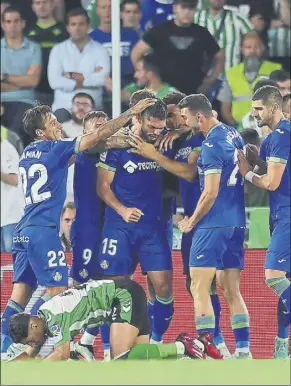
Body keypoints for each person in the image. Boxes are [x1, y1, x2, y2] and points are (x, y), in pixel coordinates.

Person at [0, 98, 155, 357]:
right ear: (41, 132)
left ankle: (5, 352)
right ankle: (62, 351)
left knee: (18, 299)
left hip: (23, 230)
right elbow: (97, 136)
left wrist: (122, 141)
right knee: (60, 298)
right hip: (43, 233)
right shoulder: (55, 148)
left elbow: (87, 148)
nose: (58, 124)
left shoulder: (29, 152)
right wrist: (131, 113)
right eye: (52, 122)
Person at [176, 94, 251, 359]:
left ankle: (206, 349)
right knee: (232, 290)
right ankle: (243, 351)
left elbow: (209, 193)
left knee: (199, 287)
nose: (183, 122)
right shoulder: (233, 134)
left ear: (199, 116)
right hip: (237, 223)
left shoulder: (210, 146)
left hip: (212, 225)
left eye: (185, 117)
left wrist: (191, 221)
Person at [96, 99, 174, 345]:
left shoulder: (163, 144)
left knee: (163, 288)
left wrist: (174, 132)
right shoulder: (117, 146)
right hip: (119, 227)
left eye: (161, 128)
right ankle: (110, 349)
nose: (156, 132)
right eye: (152, 126)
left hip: (152, 228)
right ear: (137, 119)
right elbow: (102, 186)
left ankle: (155, 343)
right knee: (114, 289)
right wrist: (122, 209)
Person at [7, 278, 221, 361]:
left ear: (34, 325)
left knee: (121, 360)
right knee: (140, 362)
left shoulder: (52, 318)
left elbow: (61, 354)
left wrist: (37, 372)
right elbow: (31, 352)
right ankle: (194, 347)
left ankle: (184, 346)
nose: (34, 344)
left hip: (122, 297)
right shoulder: (43, 317)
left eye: (30, 339)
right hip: (127, 294)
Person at [237, 85, 290, 359]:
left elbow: (271, 182)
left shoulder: (282, 136)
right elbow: (271, 169)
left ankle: (282, 346)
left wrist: (247, 172)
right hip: (279, 214)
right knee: (287, 282)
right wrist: (256, 160)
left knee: (273, 276)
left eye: (259, 108)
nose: (254, 113)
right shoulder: (270, 140)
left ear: (273, 107)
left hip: (288, 215)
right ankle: (282, 346)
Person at [131, 0, 225, 96]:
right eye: (183, 8)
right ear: (175, 8)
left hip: (192, 92)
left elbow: (220, 56)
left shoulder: (201, 33)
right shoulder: (160, 30)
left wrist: (208, 82)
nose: (187, 12)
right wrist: (144, 75)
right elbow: (136, 53)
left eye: (191, 8)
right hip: (163, 93)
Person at [48, 8, 110, 118]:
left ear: (88, 26)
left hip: (93, 108)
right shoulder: (58, 50)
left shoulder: (101, 50)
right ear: (68, 27)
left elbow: (102, 79)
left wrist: (72, 76)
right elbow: (54, 81)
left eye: (81, 24)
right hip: (64, 108)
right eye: (73, 24)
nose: (77, 28)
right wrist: (87, 78)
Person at [217, 31, 282, 127]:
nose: (252, 51)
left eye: (256, 47)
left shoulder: (275, 69)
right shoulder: (232, 73)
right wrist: (237, 127)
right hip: (240, 127)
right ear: (242, 49)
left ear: (263, 48)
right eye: (248, 47)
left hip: (269, 127)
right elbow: (225, 108)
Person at [1, 6, 42, 145]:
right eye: (8, 21)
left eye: (16, 21)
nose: (12, 25)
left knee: (16, 130)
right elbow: (27, 81)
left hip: (26, 102)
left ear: (22, 23)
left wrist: (4, 77)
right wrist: (22, 82)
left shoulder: (33, 48)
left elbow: (33, 81)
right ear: (3, 24)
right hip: (1, 101)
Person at [27, 0, 69, 106]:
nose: (41, 6)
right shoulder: (27, 32)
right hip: (34, 90)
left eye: (45, 2)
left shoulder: (65, 31)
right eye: (38, 3)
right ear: (33, 6)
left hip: (59, 90)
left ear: (53, 4)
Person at [90, 0, 140, 86]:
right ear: (98, 11)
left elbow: (138, 62)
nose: (107, 11)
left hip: (129, 86)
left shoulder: (132, 34)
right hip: (101, 87)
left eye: (110, 7)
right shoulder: (91, 38)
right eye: (103, 7)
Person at [194, 0, 252, 72]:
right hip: (202, 77)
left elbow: (255, 43)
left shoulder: (239, 19)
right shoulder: (195, 18)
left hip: (231, 76)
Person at [105, 54, 178, 105]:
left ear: (150, 74)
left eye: (139, 71)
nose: (135, 75)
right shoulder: (135, 88)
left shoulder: (171, 94)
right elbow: (122, 96)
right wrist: (111, 87)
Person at [0, 137, 24, 253]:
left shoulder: (6, 150)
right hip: (3, 217)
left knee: (11, 259)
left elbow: (14, 180)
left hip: (10, 217)